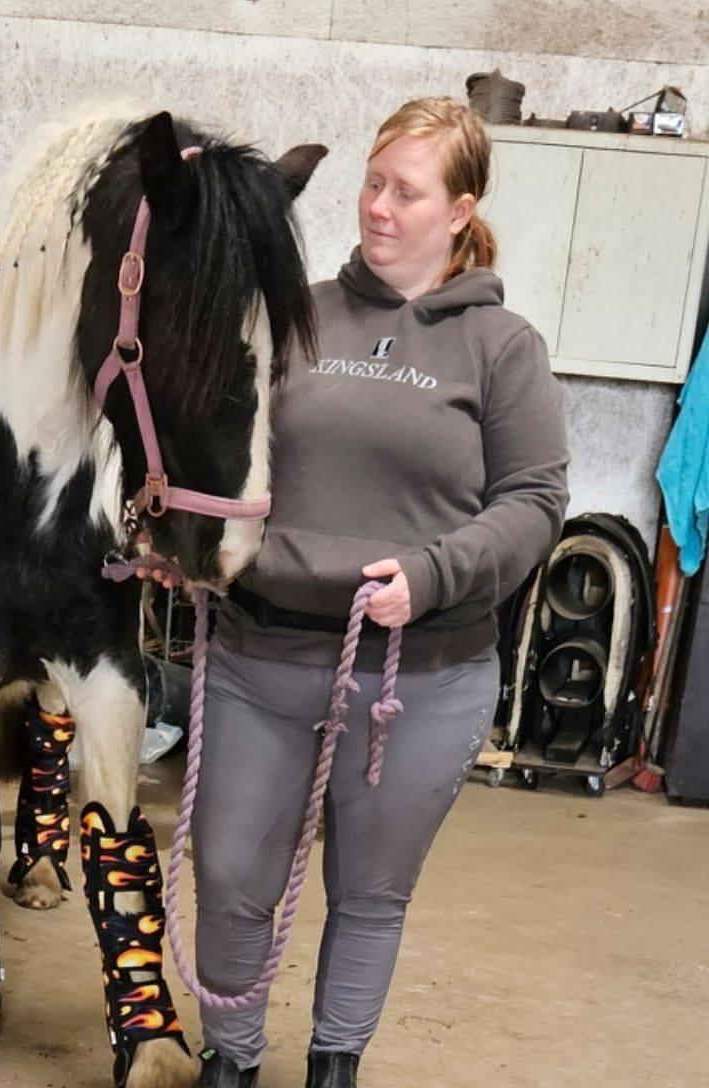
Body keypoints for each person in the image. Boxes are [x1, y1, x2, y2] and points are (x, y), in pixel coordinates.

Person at [183, 97, 570, 1088]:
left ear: (459, 209)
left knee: (370, 892)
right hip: (261, 653)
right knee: (229, 877)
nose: (378, 207)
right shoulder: (290, 313)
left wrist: (436, 572)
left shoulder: (503, 347)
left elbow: (533, 502)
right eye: (372, 181)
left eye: (407, 191)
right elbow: (220, 453)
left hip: (419, 677)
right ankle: (230, 1061)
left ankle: (333, 1068)